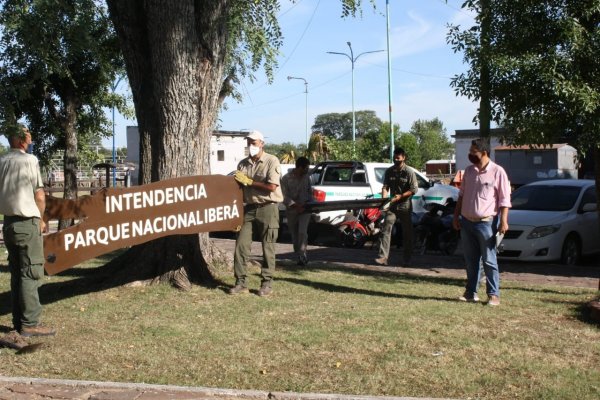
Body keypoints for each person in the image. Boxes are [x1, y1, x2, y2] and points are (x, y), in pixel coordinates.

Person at [0, 124, 56, 337]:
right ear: (21, 141)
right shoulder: (30, 161)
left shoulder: (2, 161)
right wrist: (41, 219)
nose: (31, 142)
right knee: (31, 272)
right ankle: (30, 323)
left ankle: (19, 320)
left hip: (8, 224)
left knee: (17, 273)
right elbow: (39, 195)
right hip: (27, 222)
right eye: (29, 139)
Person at [452, 138, 511, 306]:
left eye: (473, 152)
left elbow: (504, 200)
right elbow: (461, 196)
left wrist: (503, 221)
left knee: (489, 260)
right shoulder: (469, 171)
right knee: (471, 261)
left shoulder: (498, 172)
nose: (470, 155)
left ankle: (494, 295)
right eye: (470, 152)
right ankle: (471, 292)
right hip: (467, 222)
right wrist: (456, 217)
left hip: (486, 223)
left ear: (484, 153)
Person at [229, 130, 283, 296]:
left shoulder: (271, 160)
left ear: (262, 143)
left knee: (268, 247)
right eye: (248, 142)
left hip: (268, 207)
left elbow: (272, 186)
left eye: (254, 142)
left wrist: (250, 182)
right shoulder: (243, 164)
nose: (250, 145)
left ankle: (266, 283)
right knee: (241, 246)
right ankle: (240, 282)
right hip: (249, 208)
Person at [375, 147, 418, 267]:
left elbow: (414, 189)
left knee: (407, 233)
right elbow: (385, 187)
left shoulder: (409, 172)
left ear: (404, 158)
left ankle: (407, 259)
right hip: (392, 205)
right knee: (386, 229)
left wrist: (401, 196)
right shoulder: (389, 171)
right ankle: (383, 257)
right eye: (394, 158)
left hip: (405, 206)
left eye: (398, 158)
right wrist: (384, 200)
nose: (396, 160)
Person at [281, 156, 313, 266]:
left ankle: (302, 256)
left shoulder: (307, 178)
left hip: (305, 210)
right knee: (294, 235)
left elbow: (310, 193)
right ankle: (298, 253)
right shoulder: (286, 178)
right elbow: (283, 196)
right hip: (292, 211)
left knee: (302, 232)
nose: (307, 170)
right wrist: (295, 205)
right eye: (306, 168)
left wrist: (310, 205)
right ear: (300, 167)